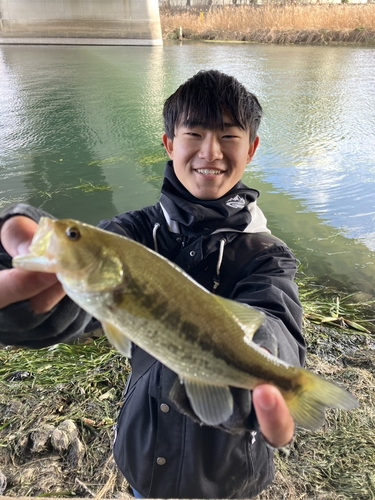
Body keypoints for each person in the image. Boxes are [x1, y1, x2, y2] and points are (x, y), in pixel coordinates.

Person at [0, 70, 305, 499]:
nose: (210, 151)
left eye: (229, 136)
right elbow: (66, 312)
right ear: (168, 143)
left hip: (231, 478)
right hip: (144, 463)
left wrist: (265, 359)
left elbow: (277, 322)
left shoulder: (267, 255)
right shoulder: (132, 236)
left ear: (252, 149)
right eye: (194, 133)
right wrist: (16, 281)